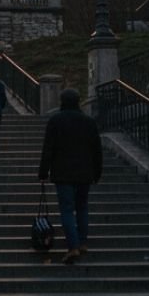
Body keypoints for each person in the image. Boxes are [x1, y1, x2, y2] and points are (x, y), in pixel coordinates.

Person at [38, 88, 104, 265]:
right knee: (82, 207)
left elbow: (48, 149)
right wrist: (97, 172)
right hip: (85, 173)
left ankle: (73, 246)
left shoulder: (56, 121)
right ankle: (82, 242)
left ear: (62, 101)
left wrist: (43, 172)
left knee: (67, 210)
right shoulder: (88, 122)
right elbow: (96, 150)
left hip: (63, 173)